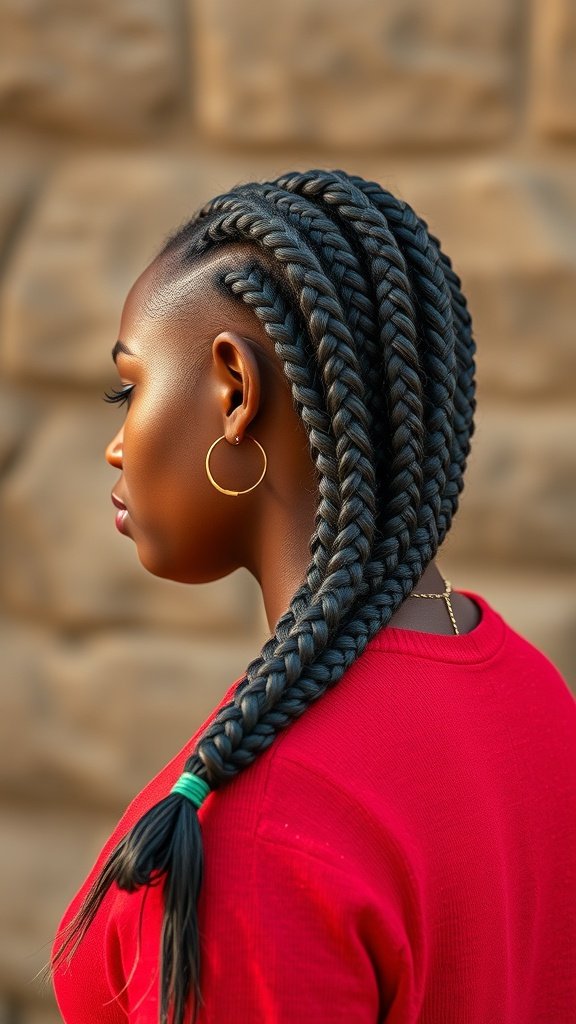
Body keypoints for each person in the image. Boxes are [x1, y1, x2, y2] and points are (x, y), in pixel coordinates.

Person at [51, 169, 576, 1024]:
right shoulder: (533, 694)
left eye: (130, 388)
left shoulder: (262, 841)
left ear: (234, 392)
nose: (115, 446)